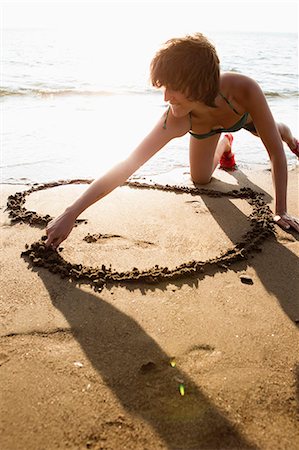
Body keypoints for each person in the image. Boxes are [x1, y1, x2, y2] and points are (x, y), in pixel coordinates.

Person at [45, 33, 299, 249]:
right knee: (200, 179)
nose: (166, 96)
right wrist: (71, 213)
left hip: (242, 117)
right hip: (206, 129)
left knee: (272, 134)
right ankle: (225, 144)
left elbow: (275, 153)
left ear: (199, 84)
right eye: (163, 87)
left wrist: (280, 210)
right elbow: (127, 165)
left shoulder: (243, 88)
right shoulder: (176, 119)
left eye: (173, 88)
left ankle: (285, 131)